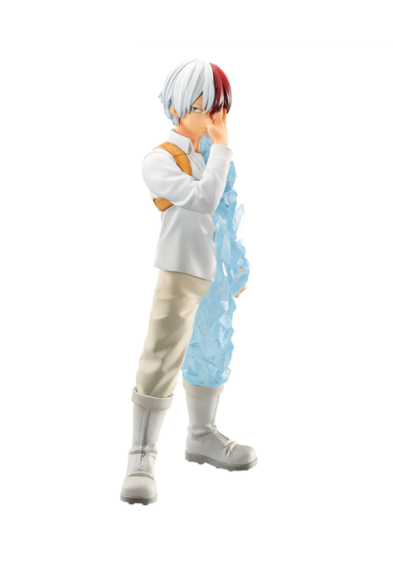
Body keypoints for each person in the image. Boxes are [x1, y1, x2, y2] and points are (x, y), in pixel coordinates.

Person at [120, 59, 257, 505]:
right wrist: (222, 150)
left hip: (215, 271)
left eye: (218, 108)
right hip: (181, 269)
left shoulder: (209, 155)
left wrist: (237, 263)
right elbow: (204, 199)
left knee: (211, 351)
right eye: (203, 107)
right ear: (178, 106)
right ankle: (141, 453)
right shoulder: (161, 159)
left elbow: (226, 212)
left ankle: (201, 434)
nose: (212, 118)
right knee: (162, 354)